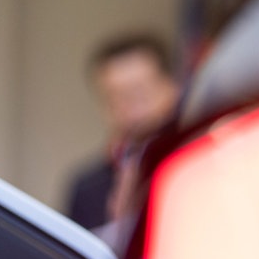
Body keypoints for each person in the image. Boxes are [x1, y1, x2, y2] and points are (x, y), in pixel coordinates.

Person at [65, 34, 180, 231]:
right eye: (116, 98)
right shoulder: (87, 187)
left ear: (172, 87)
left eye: (141, 94)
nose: (133, 111)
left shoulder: (197, 167)